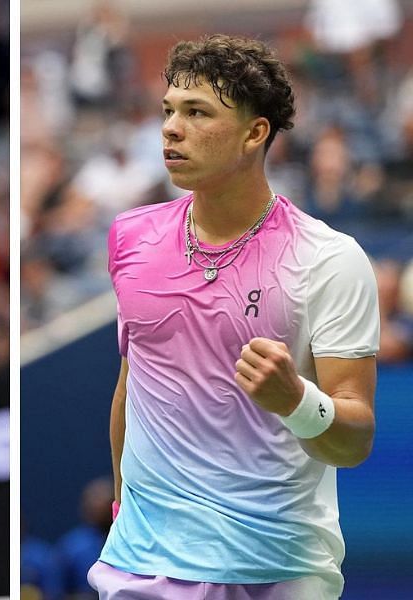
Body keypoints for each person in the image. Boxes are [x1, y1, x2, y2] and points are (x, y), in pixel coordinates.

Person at [90, 35, 379, 599]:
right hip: (140, 564)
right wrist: (125, 508)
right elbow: (134, 384)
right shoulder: (131, 236)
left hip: (277, 569)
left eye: (197, 113)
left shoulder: (329, 259)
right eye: (169, 111)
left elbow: (355, 439)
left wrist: (296, 400)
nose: (171, 128)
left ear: (255, 133)